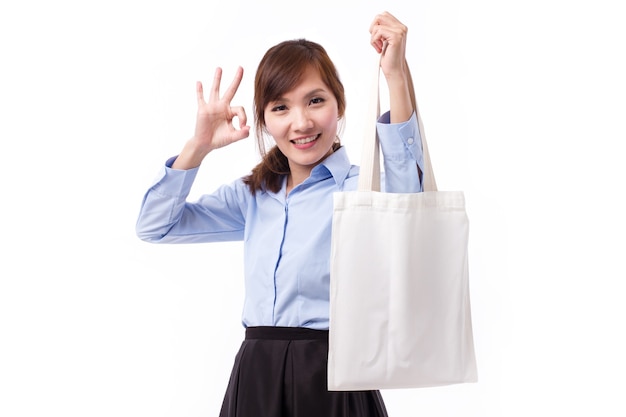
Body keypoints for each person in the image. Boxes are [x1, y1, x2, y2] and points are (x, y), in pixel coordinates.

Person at [136, 11, 423, 417]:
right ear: (265, 120)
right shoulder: (252, 195)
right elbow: (154, 226)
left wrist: (394, 75)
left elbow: (412, 207)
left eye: (315, 101)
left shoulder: (361, 190)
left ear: (339, 104)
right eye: (280, 107)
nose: (301, 122)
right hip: (255, 377)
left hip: (332, 378)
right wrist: (198, 146)